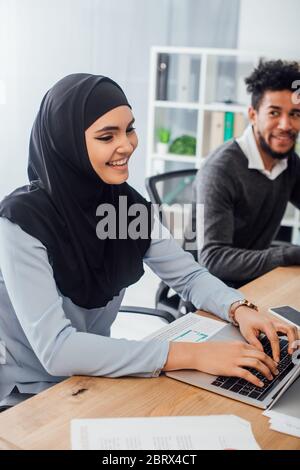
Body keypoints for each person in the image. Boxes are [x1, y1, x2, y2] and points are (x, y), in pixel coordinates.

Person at [0, 74, 297, 411]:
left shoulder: (125, 206)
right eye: (106, 136)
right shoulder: (21, 221)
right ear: (67, 144)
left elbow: (189, 276)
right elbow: (57, 351)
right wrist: (190, 355)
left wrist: (239, 309)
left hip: (98, 376)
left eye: (129, 129)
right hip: (29, 394)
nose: (126, 145)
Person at [185, 60, 300, 287]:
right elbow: (213, 260)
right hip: (207, 289)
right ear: (253, 115)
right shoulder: (221, 170)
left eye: (295, 114)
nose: (286, 125)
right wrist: (287, 255)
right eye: (274, 112)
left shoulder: (288, 161)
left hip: (254, 281)